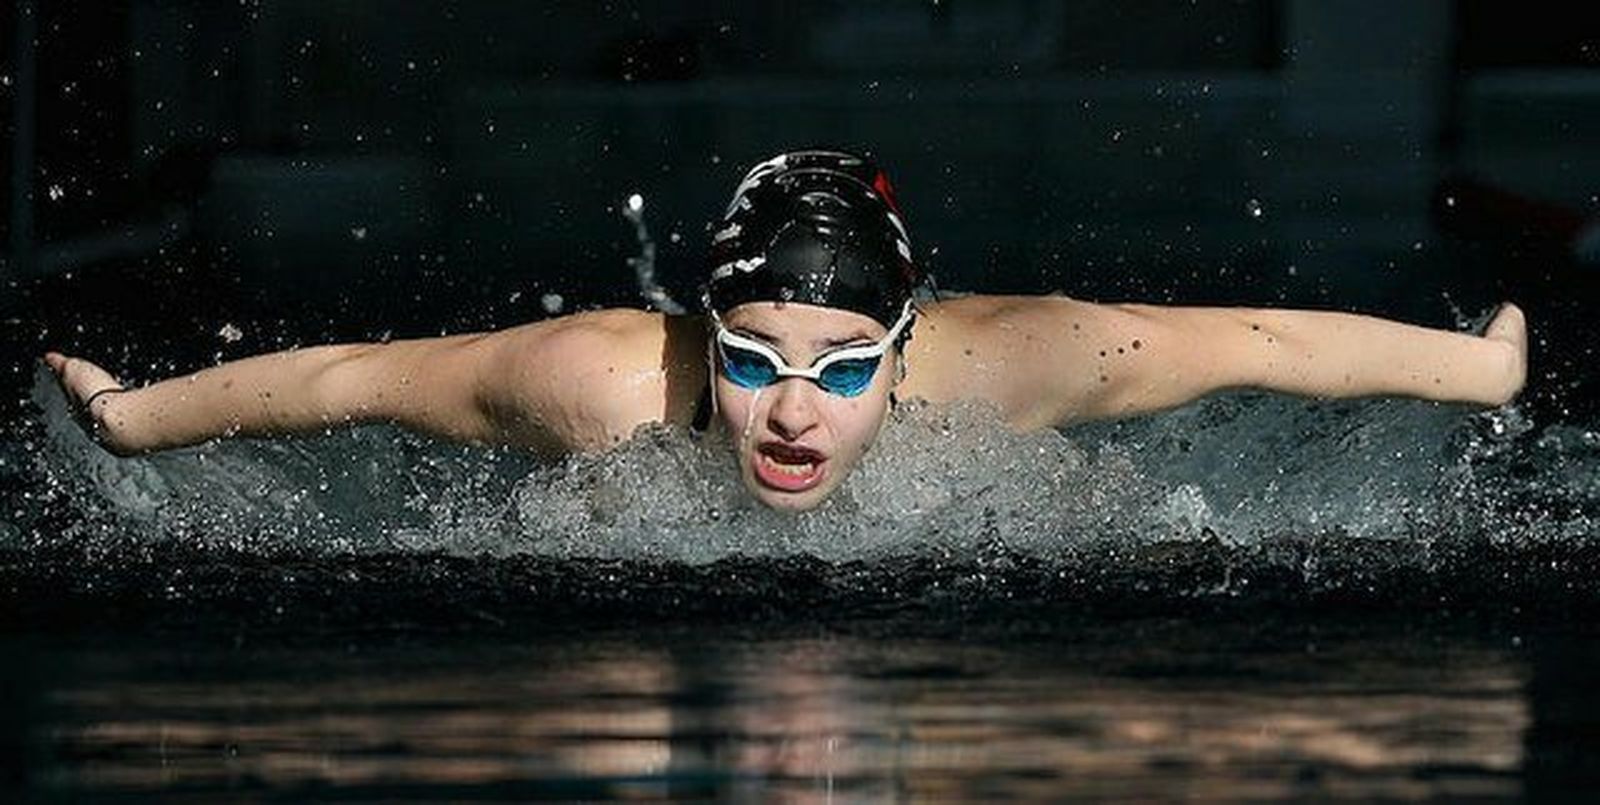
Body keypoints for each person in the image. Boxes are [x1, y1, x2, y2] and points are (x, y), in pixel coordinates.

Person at [44, 150, 1528, 512]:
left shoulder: (1013, 361)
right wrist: (131, 414)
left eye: (840, 368)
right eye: (750, 360)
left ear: (905, 343)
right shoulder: (606, 382)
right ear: (705, 338)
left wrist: (1487, 368)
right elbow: (350, 380)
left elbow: (1260, 339)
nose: (792, 414)